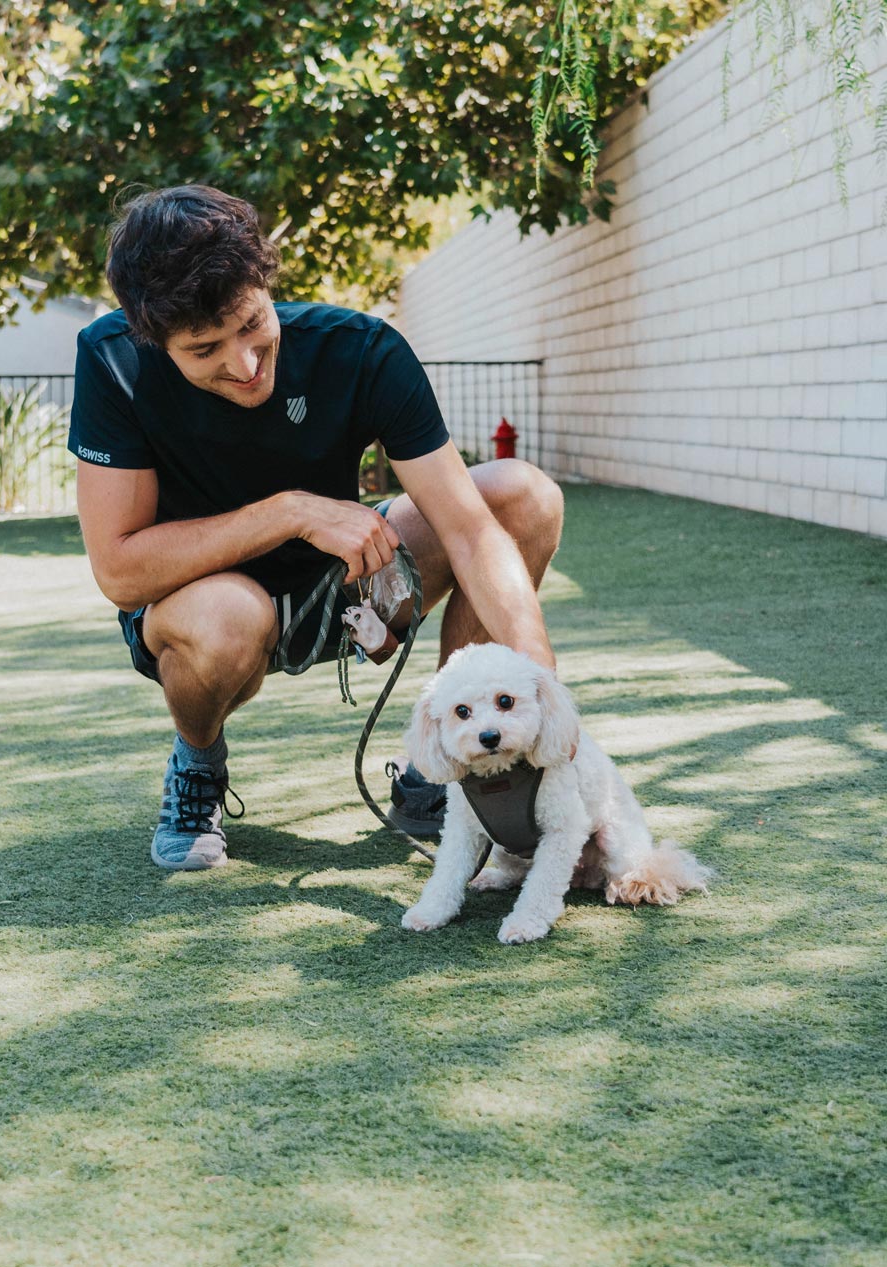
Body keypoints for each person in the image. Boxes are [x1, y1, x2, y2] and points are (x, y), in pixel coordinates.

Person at [69, 185, 563, 869]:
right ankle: (199, 761)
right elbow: (119, 571)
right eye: (205, 347)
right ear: (154, 339)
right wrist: (293, 511)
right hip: (206, 602)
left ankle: (440, 758)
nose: (243, 364)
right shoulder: (112, 360)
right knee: (227, 616)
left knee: (523, 496)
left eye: (250, 324)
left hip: (348, 586)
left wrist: (545, 686)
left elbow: (474, 534)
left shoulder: (359, 350)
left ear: (264, 281)